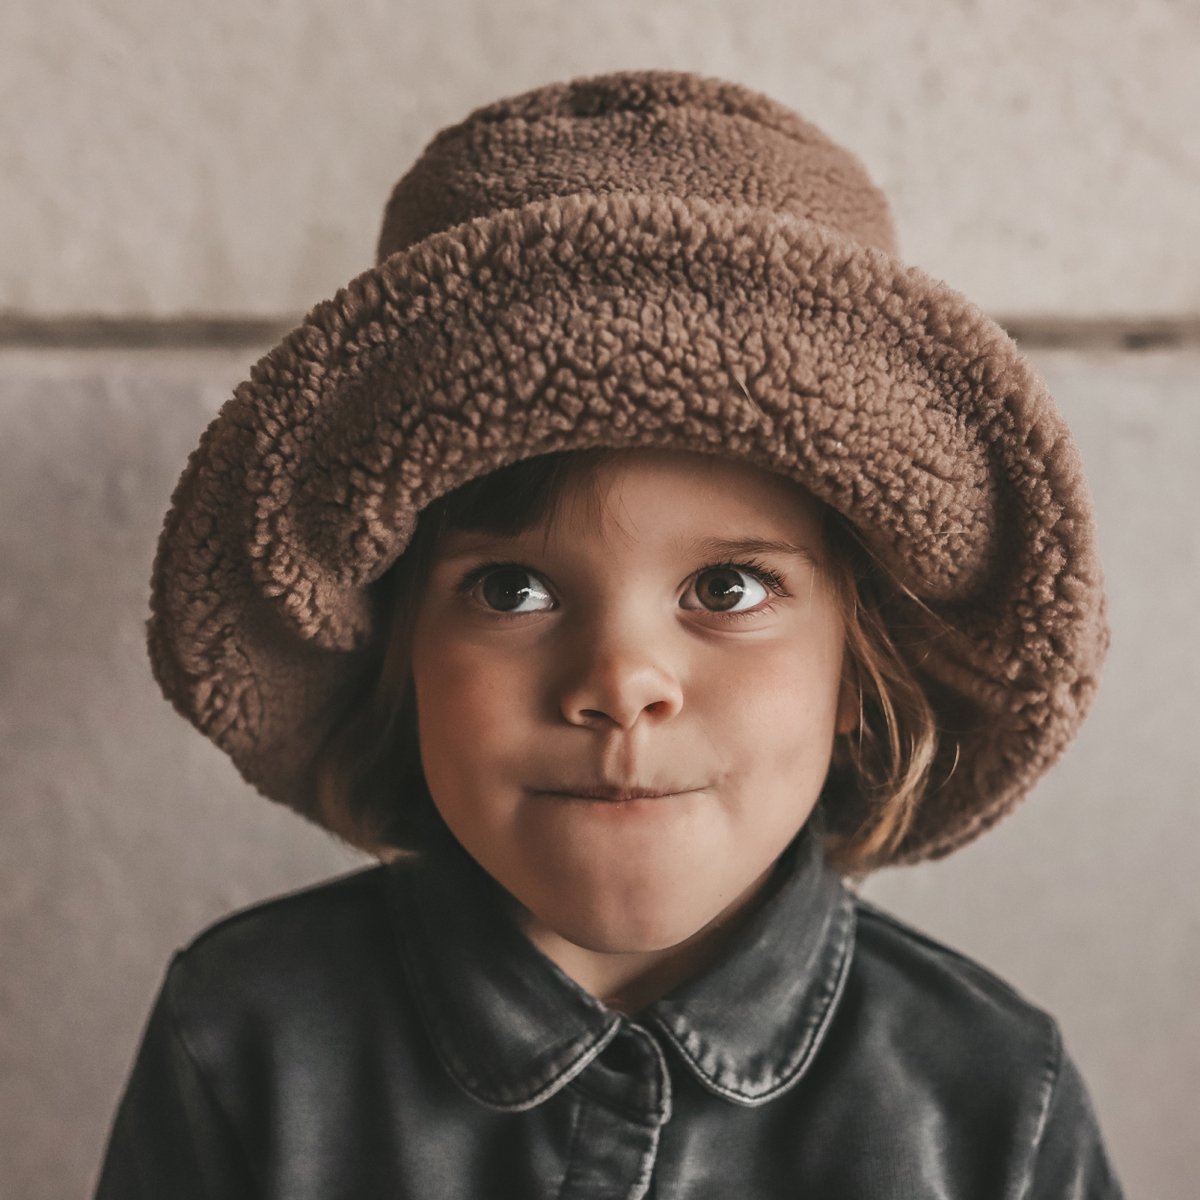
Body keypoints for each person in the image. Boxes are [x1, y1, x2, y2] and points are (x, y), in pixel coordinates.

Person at [92, 69, 1125, 1197]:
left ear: (858, 663)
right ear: (401, 658)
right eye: (510, 592)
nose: (621, 682)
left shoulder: (992, 1101)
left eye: (728, 589)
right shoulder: (244, 1038)